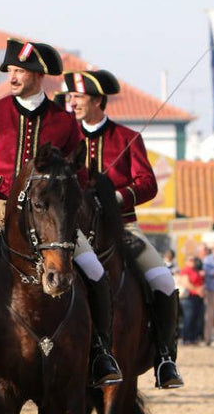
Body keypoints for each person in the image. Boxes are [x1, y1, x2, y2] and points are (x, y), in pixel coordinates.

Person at [0, 39, 122, 397]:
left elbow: (77, 175)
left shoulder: (63, 122)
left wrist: (65, 209)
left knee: (95, 272)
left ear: (39, 76)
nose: (13, 77)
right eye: (12, 71)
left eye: (20, 71)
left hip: (48, 223)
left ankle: (101, 354)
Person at [62, 69, 183, 389]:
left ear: (98, 100)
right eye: (69, 97)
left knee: (163, 279)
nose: (71, 102)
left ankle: (165, 357)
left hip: (122, 228)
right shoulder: (62, 139)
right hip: (70, 232)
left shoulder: (127, 138)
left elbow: (148, 183)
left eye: (78, 97)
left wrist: (117, 196)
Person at [178, 256, 206, 345]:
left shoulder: (196, 270)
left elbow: (201, 282)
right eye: (190, 260)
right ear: (186, 261)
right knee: (188, 318)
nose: (193, 261)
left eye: (194, 260)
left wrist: (201, 289)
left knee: (196, 318)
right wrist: (197, 290)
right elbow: (186, 283)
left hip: (197, 297)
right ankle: (186, 338)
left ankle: (193, 338)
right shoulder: (185, 270)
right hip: (189, 297)